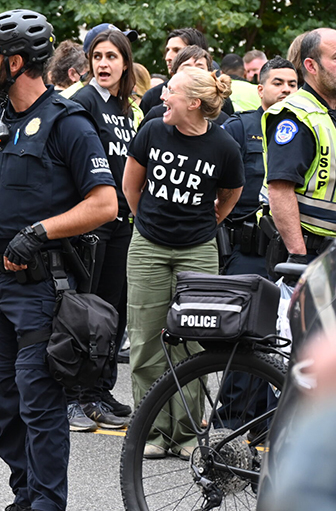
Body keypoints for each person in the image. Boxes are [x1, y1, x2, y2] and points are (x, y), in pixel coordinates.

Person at [0, 9, 117, 511]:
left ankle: (46, 504)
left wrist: (39, 232)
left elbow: (104, 203)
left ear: (16, 61)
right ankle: (25, 495)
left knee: (39, 405)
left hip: (42, 292)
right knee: (5, 405)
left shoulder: (69, 123)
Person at [122, 66, 243, 459]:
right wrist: (149, 224)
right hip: (148, 247)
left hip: (197, 250)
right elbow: (130, 186)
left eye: (169, 91)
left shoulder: (224, 146)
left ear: (194, 103)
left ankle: (188, 434)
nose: (161, 98)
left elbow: (232, 192)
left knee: (191, 345)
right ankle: (153, 433)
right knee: (145, 342)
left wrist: (210, 222)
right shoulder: (153, 130)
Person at [67, 27, 138, 431]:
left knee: (112, 314)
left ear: (125, 62)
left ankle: (98, 389)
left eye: (112, 57)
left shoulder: (124, 108)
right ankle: (74, 397)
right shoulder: (83, 102)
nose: (104, 64)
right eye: (98, 57)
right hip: (93, 224)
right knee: (85, 314)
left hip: (123, 224)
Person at [263, 28, 336, 266]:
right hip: (311, 254)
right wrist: (299, 256)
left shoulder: (330, 112)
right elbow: (280, 189)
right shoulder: (295, 115)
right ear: (311, 66)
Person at [221, 57, 299, 276]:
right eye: (278, 83)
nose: (286, 89)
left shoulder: (306, 132)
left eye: (292, 84)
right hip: (246, 251)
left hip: (293, 250)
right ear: (260, 90)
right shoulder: (239, 128)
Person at [139, 46, 233, 128]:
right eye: (186, 68)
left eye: (200, 68)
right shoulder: (156, 115)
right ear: (174, 74)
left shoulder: (222, 120)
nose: (193, 72)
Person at [139, 27, 210, 114]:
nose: (168, 57)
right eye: (167, 50)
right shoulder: (153, 97)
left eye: (177, 50)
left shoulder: (218, 98)